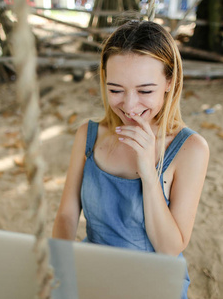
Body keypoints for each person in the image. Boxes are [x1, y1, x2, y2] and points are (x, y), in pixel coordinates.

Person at [52, 20, 209, 298]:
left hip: (152, 285)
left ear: (169, 82)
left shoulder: (191, 149)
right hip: (93, 274)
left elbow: (170, 248)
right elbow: (66, 215)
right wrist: (61, 268)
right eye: (115, 90)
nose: (130, 105)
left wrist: (149, 173)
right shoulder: (87, 136)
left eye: (145, 91)